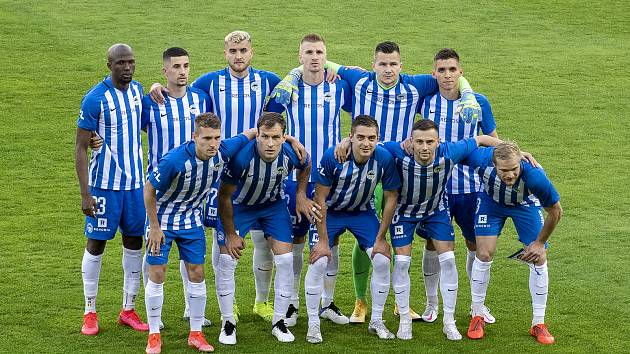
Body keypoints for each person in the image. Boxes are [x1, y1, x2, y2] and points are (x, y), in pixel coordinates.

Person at [273, 41, 481, 322]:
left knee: (395, 237)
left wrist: (467, 94)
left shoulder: (415, 85)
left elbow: (450, 75)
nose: (388, 69)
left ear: (401, 65)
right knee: (366, 238)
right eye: (382, 64)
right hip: (365, 168)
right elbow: (319, 63)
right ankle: (360, 302)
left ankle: (398, 301)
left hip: (401, 171)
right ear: (373, 65)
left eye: (393, 64)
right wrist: (290, 77)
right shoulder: (359, 80)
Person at [149, 31, 287, 323]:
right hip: (216, 170)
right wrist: (157, 86)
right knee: (219, 238)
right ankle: (226, 305)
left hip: (257, 167)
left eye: (244, 50)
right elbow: (180, 92)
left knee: (262, 239)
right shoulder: (209, 83)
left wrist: (330, 74)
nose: (239, 56)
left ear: (252, 52)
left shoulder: (270, 81)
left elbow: (296, 89)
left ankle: (262, 302)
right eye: (233, 50)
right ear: (225, 53)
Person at [380, 119, 501, 340]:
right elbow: (370, 144)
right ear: (411, 142)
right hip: (404, 213)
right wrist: (344, 144)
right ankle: (405, 320)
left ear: (438, 142)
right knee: (402, 262)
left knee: (448, 260)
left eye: (429, 142)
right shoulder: (397, 150)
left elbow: (482, 139)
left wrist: (516, 152)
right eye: (419, 142)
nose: (424, 147)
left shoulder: (449, 151)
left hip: (436, 211)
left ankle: (449, 321)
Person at [144, 113, 252, 353]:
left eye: (216, 137)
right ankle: (153, 335)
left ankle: (196, 333)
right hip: (162, 220)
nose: (212, 143)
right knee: (158, 273)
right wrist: (153, 226)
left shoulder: (222, 151)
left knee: (197, 273)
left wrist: (292, 141)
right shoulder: (174, 160)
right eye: (206, 138)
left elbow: (250, 134)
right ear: (195, 137)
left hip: (192, 221)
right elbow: (149, 189)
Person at [215, 112, 315, 344]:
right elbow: (224, 197)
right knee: (227, 261)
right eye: (265, 137)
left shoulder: (292, 152)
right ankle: (228, 322)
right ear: (257, 135)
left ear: (284, 137)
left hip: (273, 206)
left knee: (285, 260)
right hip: (239, 206)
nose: (270, 143)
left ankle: (279, 322)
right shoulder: (241, 158)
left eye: (276, 137)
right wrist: (230, 234)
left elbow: (306, 165)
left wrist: (300, 193)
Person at [418, 48, 498, 324]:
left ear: (460, 72)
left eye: (452, 69)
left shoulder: (478, 102)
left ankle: (479, 305)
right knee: (432, 242)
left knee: (474, 244)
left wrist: (514, 153)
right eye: (442, 70)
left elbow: (492, 140)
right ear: (434, 74)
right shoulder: (425, 101)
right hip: (436, 188)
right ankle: (431, 304)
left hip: (472, 187)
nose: (447, 75)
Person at [303, 115, 400, 343]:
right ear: (350, 137)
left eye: (371, 138)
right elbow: (320, 198)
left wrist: (381, 238)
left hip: (361, 212)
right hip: (330, 212)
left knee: (383, 259)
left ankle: (376, 320)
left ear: (378, 139)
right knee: (319, 260)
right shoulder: (333, 157)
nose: (366, 143)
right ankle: (313, 323)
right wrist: (324, 241)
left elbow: (391, 196)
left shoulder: (383, 158)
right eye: (361, 138)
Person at [75, 43, 148, 335]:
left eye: (131, 62)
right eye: (121, 63)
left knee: (134, 243)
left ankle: (128, 309)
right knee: (96, 244)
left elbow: (144, 124)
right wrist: (84, 193)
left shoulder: (137, 91)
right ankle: (89, 311)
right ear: (109, 66)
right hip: (103, 186)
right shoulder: (95, 99)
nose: (127, 67)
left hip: (135, 186)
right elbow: (80, 148)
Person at [280, 33, 352, 328]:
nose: (314, 57)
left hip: (330, 178)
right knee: (296, 240)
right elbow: (268, 126)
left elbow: (363, 118)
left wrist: (348, 138)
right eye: (308, 52)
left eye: (319, 52)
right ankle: (293, 304)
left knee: (330, 238)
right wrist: (289, 138)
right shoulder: (287, 88)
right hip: (295, 179)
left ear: (326, 56)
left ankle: (326, 302)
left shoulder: (340, 87)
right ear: (300, 57)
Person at [141, 47, 213, 328]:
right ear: (165, 71)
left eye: (186, 66)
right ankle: (148, 313)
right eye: (176, 67)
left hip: (194, 189)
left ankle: (189, 308)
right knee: (156, 254)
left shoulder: (200, 98)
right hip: (160, 190)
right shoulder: (152, 102)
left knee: (191, 252)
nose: (182, 71)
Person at [464, 142, 562, 345]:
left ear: (521, 163)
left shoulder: (535, 176)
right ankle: (477, 316)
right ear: (494, 164)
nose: (509, 175)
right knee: (483, 254)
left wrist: (539, 243)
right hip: (491, 204)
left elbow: (556, 211)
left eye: (514, 169)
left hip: (524, 204)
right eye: (504, 170)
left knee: (539, 257)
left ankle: (538, 323)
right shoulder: (481, 159)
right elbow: (465, 145)